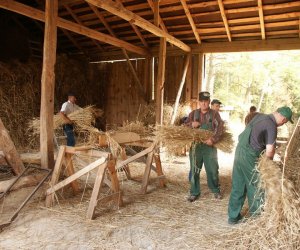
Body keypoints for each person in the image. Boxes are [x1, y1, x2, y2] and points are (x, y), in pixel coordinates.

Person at [228, 106, 293, 224]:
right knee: (257, 185)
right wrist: (268, 165)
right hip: (250, 155)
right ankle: (257, 219)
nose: (283, 123)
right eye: (285, 121)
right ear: (283, 119)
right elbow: (269, 151)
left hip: (239, 151)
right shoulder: (271, 125)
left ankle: (233, 217)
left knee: (238, 184)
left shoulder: (258, 116)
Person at [185, 91, 224, 202]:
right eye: (201, 101)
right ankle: (194, 192)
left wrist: (213, 139)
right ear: (199, 102)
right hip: (196, 146)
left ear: (209, 102)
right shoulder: (193, 114)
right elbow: (184, 128)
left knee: (212, 169)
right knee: (194, 169)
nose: (203, 104)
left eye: (206, 101)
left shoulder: (214, 114)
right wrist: (191, 125)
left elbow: (220, 129)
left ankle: (215, 190)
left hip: (210, 147)